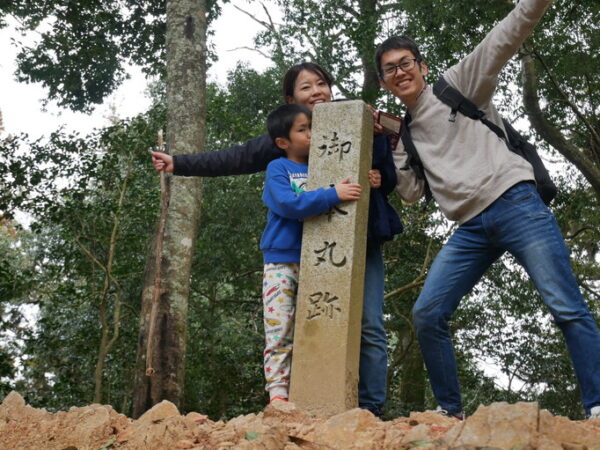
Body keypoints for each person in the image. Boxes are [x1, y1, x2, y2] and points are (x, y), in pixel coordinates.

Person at [376, 0, 600, 419]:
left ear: (422, 67)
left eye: (405, 63)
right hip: (470, 228)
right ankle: (450, 411)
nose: (399, 72)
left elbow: (505, 36)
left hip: (515, 202)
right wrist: (390, 149)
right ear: (384, 82)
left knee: (565, 305)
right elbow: (410, 194)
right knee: (427, 313)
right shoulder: (403, 135)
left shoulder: (456, 85)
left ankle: (598, 404)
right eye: (390, 69)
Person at [152, 62, 402, 417]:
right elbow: (235, 157)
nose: (316, 91)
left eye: (321, 83)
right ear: (291, 99)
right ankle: (299, 400)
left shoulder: (358, 120)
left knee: (369, 324)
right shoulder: (288, 141)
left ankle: (369, 408)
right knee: (299, 325)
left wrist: (378, 173)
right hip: (297, 251)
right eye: (306, 87)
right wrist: (179, 163)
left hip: (361, 240)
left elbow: (391, 174)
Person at [260, 103, 362, 402]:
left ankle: (318, 390)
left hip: (319, 262)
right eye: (303, 130)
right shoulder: (279, 168)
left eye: (313, 127)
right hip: (281, 259)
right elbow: (287, 204)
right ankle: (278, 394)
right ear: (283, 142)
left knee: (319, 325)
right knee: (280, 326)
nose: (312, 134)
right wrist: (332, 194)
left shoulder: (327, 165)